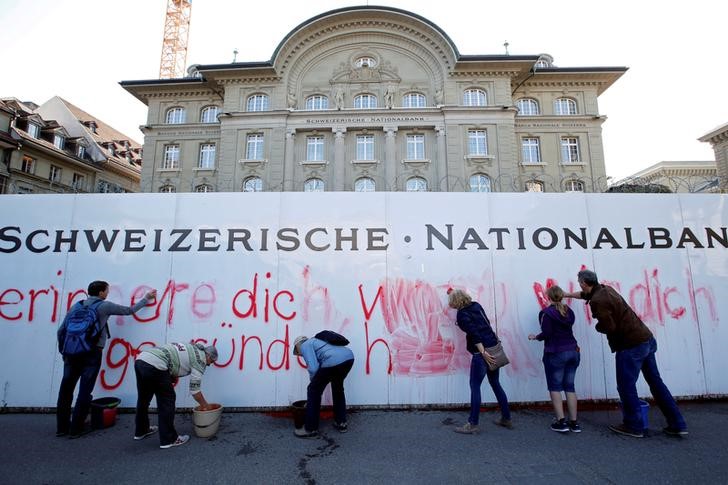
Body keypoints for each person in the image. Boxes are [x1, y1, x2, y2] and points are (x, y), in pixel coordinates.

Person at [566, 269, 687, 438]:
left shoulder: (597, 301)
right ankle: (677, 423)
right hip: (646, 339)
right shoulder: (606, 290)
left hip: (630, 346)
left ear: (584, 283)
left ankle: (634, 425)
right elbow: (586, 295)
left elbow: (609, 327)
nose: (579, 285)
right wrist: (567, 294)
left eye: (580, 282)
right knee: (656, 383)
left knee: (626, 385)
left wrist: (597, 326)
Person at [56, 281, 156, 438]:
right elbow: (129, 311)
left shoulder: (76, 306)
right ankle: (76, 428)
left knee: (65, 389)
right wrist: (146, 299)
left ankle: (61, 428)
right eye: (107, 291)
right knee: (84, 390)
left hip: (70, 354)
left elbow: (61, 330)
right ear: (101, 293)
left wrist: (64, 352)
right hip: (91, 353)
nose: (108, 293)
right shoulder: (104, 306)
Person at [448, 289, 512, 434]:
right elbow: (486, 324)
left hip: (482, 352)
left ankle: (473, 424)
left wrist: (483, 353)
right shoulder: (476, 305)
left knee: (475, 386)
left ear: (455, 301)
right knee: (495, 383)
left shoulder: (462, 314)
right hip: (493, 346)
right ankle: (506, 418)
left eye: (451, 300)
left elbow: (474, 334)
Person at [134, 342, 218, 449]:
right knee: (167, 401)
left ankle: (141, 431)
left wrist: (170, 377)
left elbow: (174, 358)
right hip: (156, 365)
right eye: (211, 361)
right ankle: (169, 439)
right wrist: (205, 406)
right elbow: (195, 391)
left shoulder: (192, 347)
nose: (210, 364)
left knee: (143, 398)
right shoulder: (200, 360)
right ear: (208, 356)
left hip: (141, 359)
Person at [528, 285, 581, 433]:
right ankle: (574, 423)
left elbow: (547, 333)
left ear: (548, 297)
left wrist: (535, 337)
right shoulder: (568, 312)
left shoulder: (546, 313)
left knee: (555, 387)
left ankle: (561, 422)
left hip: (556, 352)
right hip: (573, 351)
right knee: (570, 386)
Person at [292, 334, 355, 438]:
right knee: (337, 388)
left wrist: (313, 383)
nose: (301, 355)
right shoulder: (319, 342)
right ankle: (341, 423)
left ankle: (310, 428)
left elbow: (313, 368)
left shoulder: (305, 345)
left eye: (298, 352)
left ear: (298, 346)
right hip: (348, 357)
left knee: (313, 390)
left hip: (333, 360)